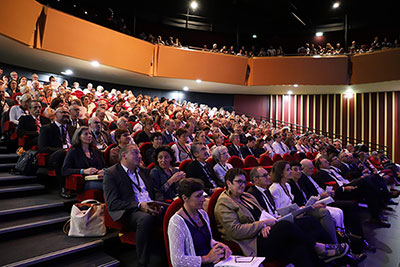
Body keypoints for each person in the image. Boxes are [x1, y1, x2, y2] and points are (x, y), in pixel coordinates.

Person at [215, 168, 349, 265]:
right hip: (252, 243)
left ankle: (338, 258)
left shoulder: (246, 196)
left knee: (307, 227)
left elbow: (262, 215)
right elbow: (236, 231)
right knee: (285, 225)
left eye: (244, 182)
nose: (242, 185)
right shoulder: (224, 203)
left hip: (263, 233)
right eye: (239, 182)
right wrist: (263, 224)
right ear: (228, 182)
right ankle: (320, 247)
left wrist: (265, 224)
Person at [103, 144, 164, 267]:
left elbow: (156, 191)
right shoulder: (111, 173)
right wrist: (139, 206)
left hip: (150, 205)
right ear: (124, 156)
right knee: (145, 218)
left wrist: (159, 204)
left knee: (173, 210)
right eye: (135, 153)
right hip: (129, 211)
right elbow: (113, 203)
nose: (140, 156)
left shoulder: (144, 171)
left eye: (140, 153)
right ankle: (143, 262)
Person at [269, 160, 339, 244]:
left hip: (295, 213)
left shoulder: (287, 185)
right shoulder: (275, 188)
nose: (291, 171)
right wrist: (296, 212)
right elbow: (278, 211)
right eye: (288, 170)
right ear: (280, 172)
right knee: (312, 221)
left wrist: (299, 210)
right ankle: (331, 245)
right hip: (286, 219)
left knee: (318, 217)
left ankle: (333, 243)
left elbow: (290, 204)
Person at [168, 178, 232, 267]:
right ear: (185, 198)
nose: (203, 199)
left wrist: (218, 245)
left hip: (213, 262)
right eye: (198, 196)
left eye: (203, 195)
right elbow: (177, 261)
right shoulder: (176, 222)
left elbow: (205, 240)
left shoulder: (203, 214)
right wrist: (207, 258)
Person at [38, 107, 76, 198]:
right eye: (63, 112)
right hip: (54, 156)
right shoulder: (46, 128)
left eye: (67, 113)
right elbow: (42, 148)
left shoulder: (72, 129)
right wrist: (63, 150)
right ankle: (63, 187)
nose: (66, 114)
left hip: (71, 154)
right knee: (61, 154)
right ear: (55, 115)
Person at [61, 126, 105, 191]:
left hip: (99, 178)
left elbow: (104, 166)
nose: (89, 136)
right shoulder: (73, 151)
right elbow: (65, 170)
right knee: (108, 186)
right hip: (85, 181)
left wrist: (103, 170)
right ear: (79, 137)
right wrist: (83, 171)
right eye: (86, 134)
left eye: (90, 134)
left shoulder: (95, 150)